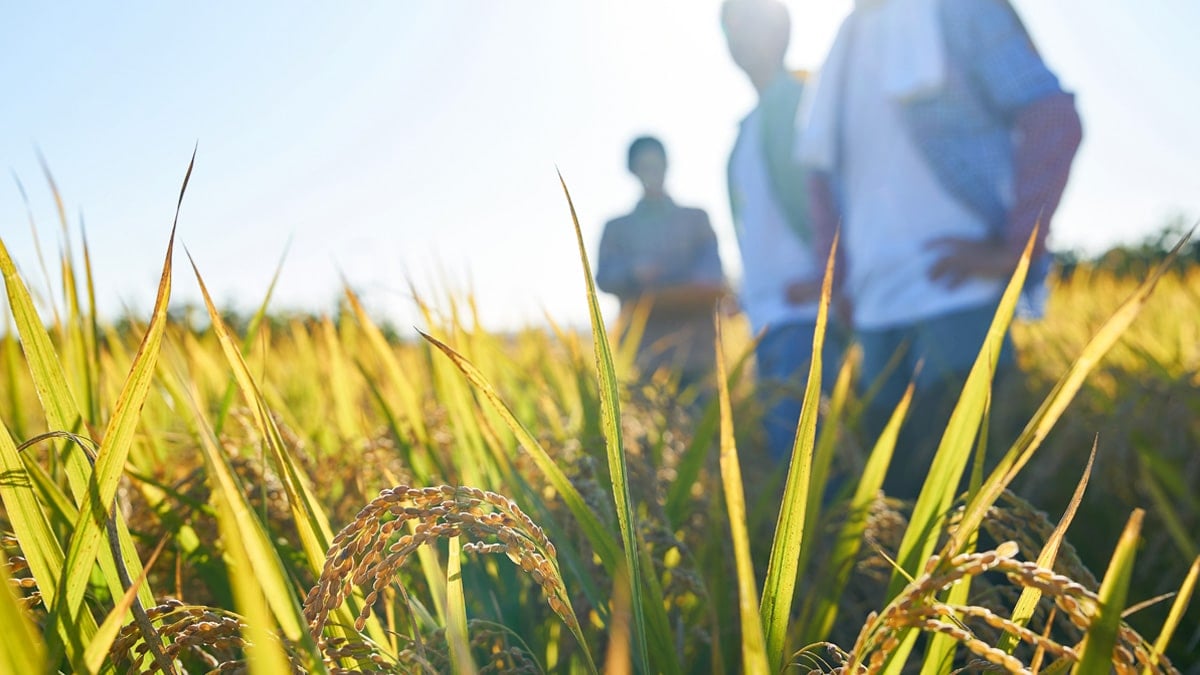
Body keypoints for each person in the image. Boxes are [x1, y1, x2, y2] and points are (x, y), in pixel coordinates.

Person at [799, 0, 1083, 497]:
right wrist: (836, 278)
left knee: (979, 510)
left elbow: (1052, 116)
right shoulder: (841, 41)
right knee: (895, 506)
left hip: (957, 299)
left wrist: (1018, 248)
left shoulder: (962, 9)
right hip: (874, 310)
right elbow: (823, 178)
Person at [721, 0, 845, 462]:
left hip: (808, 309)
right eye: (731, 28)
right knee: (786, 461)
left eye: (753, 24)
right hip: (768, 316)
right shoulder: (746, 128)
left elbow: (841, 188)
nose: (742, 38)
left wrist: (830, 276)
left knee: (809, 464)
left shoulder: (804, 98)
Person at [596, 136, 727, 391]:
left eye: (657, 164)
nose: (652, 172)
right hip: (642, 354)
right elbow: (603, 277)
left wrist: (685, 281)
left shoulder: (696, 219)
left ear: (668, 165)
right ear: (632, 171)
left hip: (697, 351)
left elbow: (714, 272)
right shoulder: (617, 228)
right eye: (644, 165)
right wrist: (633, 272)